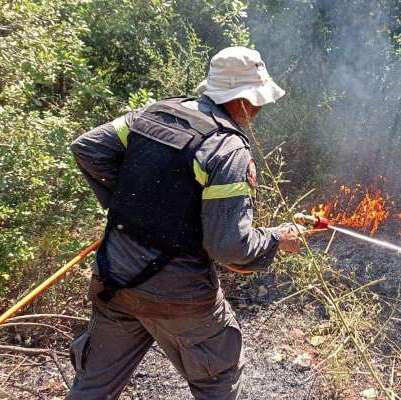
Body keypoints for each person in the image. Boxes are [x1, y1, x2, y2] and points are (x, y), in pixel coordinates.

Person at [66, 47, 302, 399]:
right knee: (218, 380)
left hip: (116, 279)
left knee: (93, 388)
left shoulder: (153, 114)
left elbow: (87, 147)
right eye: (258, 100)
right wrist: (278, 238)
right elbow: (230, 248)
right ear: (241, 100)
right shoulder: (228, 149)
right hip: (181, 297)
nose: (259, 109)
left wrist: (134, 207)